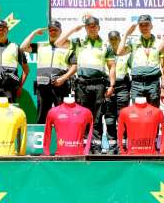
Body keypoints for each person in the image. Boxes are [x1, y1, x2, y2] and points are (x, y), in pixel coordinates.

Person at [54, 16, 116, 154]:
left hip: (100, 84)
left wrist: (111, 85)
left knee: (98, 116)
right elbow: (58, 43)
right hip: (82, 84)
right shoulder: (79, 42)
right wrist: (72, 30)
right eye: (89, 26)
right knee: (81, 117)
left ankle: (96, 147)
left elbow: (112, 67)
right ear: (85, 28)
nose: (92, 28)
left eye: (94, 26)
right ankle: (83, 146)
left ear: (99, 28)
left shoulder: (106, 45)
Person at [20, 20, 77, 123]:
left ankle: (61, 138)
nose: (53, 32)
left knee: (62, 116)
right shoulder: (41, 45)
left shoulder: (68, 47)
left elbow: (74, 67)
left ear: (61, 31)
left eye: (55, 30)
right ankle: (43, 138)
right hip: (43, 86)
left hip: (60, 85)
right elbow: (23, 47)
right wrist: (34, 33)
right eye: (50, 30)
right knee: (42, 116)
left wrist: (64, 78)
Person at [117, 15, 164, 108]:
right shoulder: (133, 42)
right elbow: (120, 52)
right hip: (137, 83)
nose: (144, 27)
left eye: (146, 25)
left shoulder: (160, 43)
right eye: (141, 25)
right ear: (139, 27)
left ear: (151, 26)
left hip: (153, 83)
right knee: (137, 113)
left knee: (153, 112)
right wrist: (126, 34)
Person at [104, 31, 131, 155]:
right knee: (109, 117)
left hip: (123, 87)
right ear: (108, 41)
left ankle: (122, 146)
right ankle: (112, 146)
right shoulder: (105, 53)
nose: (114, 41)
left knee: (122, 117)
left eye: (116, 39)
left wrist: (131, 89)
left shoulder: (126, 53)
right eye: (112, 39)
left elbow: (133, 69)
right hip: (109, 87)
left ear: (120, 40)